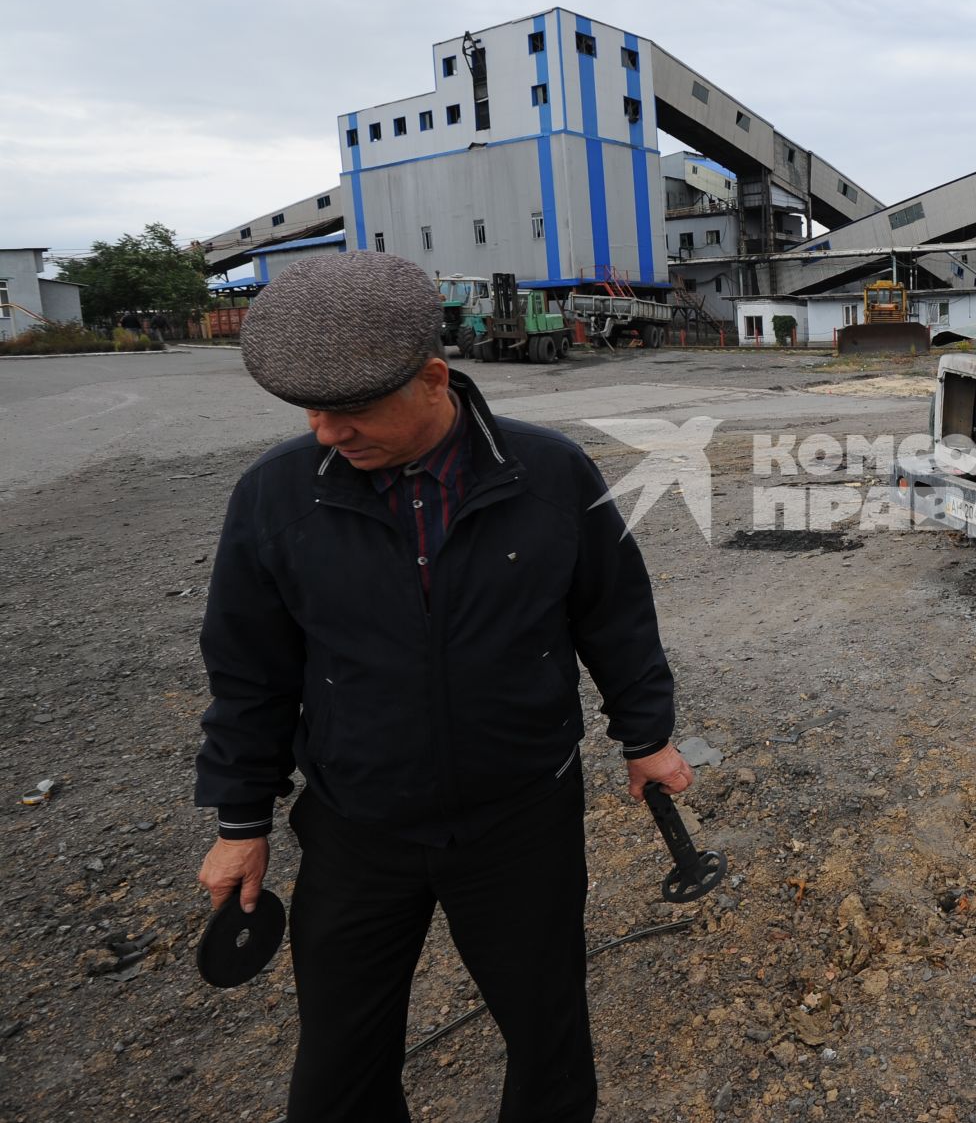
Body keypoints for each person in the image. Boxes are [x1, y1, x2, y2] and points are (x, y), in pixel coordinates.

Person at [193, 251, 690, 1122]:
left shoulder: (548, 474)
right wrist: (242, 819)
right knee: (337, 1070)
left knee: (548, 1043)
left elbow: (613, 614)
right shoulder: (275, 496)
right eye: (310, 410)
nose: (324, 434)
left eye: (349, 412)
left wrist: (645, 736)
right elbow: (249, 668)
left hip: (520, 821)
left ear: (433, 379)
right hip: (358, 828)